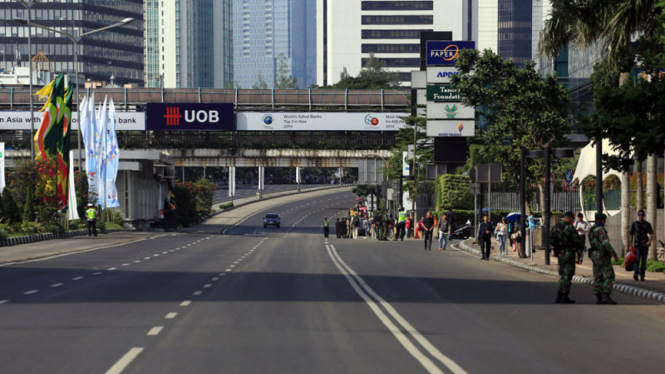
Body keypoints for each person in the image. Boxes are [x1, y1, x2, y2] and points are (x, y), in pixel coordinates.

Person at [550, 211, 583, 304]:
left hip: (560, 253)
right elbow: (577, 241)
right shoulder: (570, 228)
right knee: (567, 275)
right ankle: (564, 296)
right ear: (569, 218)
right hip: (569, 253)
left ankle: (559, 296)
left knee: (562, 275)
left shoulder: (555, 227)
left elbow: (550, 240)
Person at [588, 213, 619, 305]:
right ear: (600, 220)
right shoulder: (600, 229)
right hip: (602, 255)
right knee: (609, 275)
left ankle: (598, 297)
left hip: (594, 254)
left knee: (598, 275)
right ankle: (606, 296)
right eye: (604, 220)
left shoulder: (592, 229)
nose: (605, 222)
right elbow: (605, 243)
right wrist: (614, 253)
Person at [629, 209, 654, 282]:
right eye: (640, 215)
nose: (641, 216)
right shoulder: (634, 224)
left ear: (644, 216)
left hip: (645, 245)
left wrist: (649, 241)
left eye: (642, 215)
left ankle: (642, 275)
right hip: (637, 245)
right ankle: (636, 274)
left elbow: (651, 233)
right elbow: (631, 235)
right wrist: (630, 245)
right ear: (638, 215)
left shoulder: (647, 224)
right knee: (637, 260)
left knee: (644, 261)